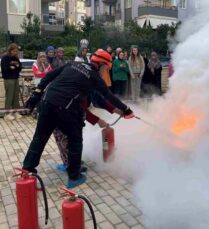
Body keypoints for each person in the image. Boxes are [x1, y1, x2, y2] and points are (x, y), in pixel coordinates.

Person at [23, 49, 134, 188]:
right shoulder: (94, 77)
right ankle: (74, 177)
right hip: (65, 109)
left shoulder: (72, 64)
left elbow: (48, 76)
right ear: (101, 65)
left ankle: (27, 171)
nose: (105, 71)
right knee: (75, 139)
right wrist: (126, 110)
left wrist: (36, 95)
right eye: (106, 68)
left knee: (39, 139)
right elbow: (108, 96)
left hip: (46, 103)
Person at [0, 43, 22, 121]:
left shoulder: (16, 58)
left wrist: (15, 66)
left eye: (16, 51)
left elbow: (19, 67)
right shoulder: (5, 58)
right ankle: (7, 114)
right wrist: (12, 67)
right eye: (14, 51)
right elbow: (5, 69)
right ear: (10, 50)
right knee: (9, 96)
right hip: (8, 79)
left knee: (16, 96)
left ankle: (16, 112)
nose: (15, 52)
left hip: (16, 78)